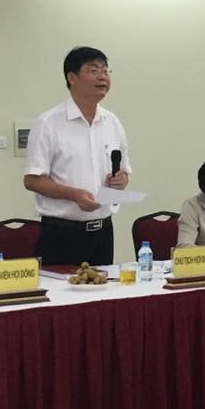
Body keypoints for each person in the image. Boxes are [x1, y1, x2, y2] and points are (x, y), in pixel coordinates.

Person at [23, 46, 131, 265]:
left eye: (106, 71)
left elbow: (124, 174)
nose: (103, 77)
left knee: (105, 287)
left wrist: (121, 180)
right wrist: (74, 195)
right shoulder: (48, 123)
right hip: (62, 233)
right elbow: (32, 180)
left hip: (103, 231)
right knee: (61, 288)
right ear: (72, 78)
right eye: (93, 70)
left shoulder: (112, 122)